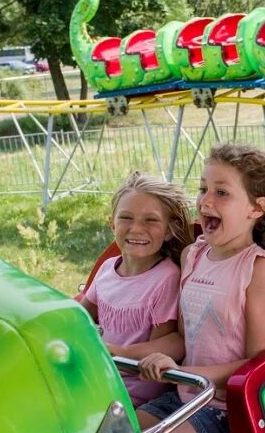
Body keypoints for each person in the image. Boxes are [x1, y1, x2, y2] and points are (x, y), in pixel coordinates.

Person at [136, 144, 265, 433]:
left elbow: (257, 367)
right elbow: (184, 335)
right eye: (203, 189)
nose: (206, 201)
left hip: (223, 413)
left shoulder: (259, 270)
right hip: (182, 395)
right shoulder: (192, 255)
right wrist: (141, 356)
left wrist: (189, 374)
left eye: (221, 193)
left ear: (256, 208)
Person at [80, 172, 194, 406]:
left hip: (135, 392)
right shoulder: (107, 269)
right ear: (112, 224)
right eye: (126, 218)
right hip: (100, 376)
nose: (137, 229)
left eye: (150, 220)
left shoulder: (166, 278)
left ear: (169, 230)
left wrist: (121, 353)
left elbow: (163, 348)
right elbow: (78, 316)